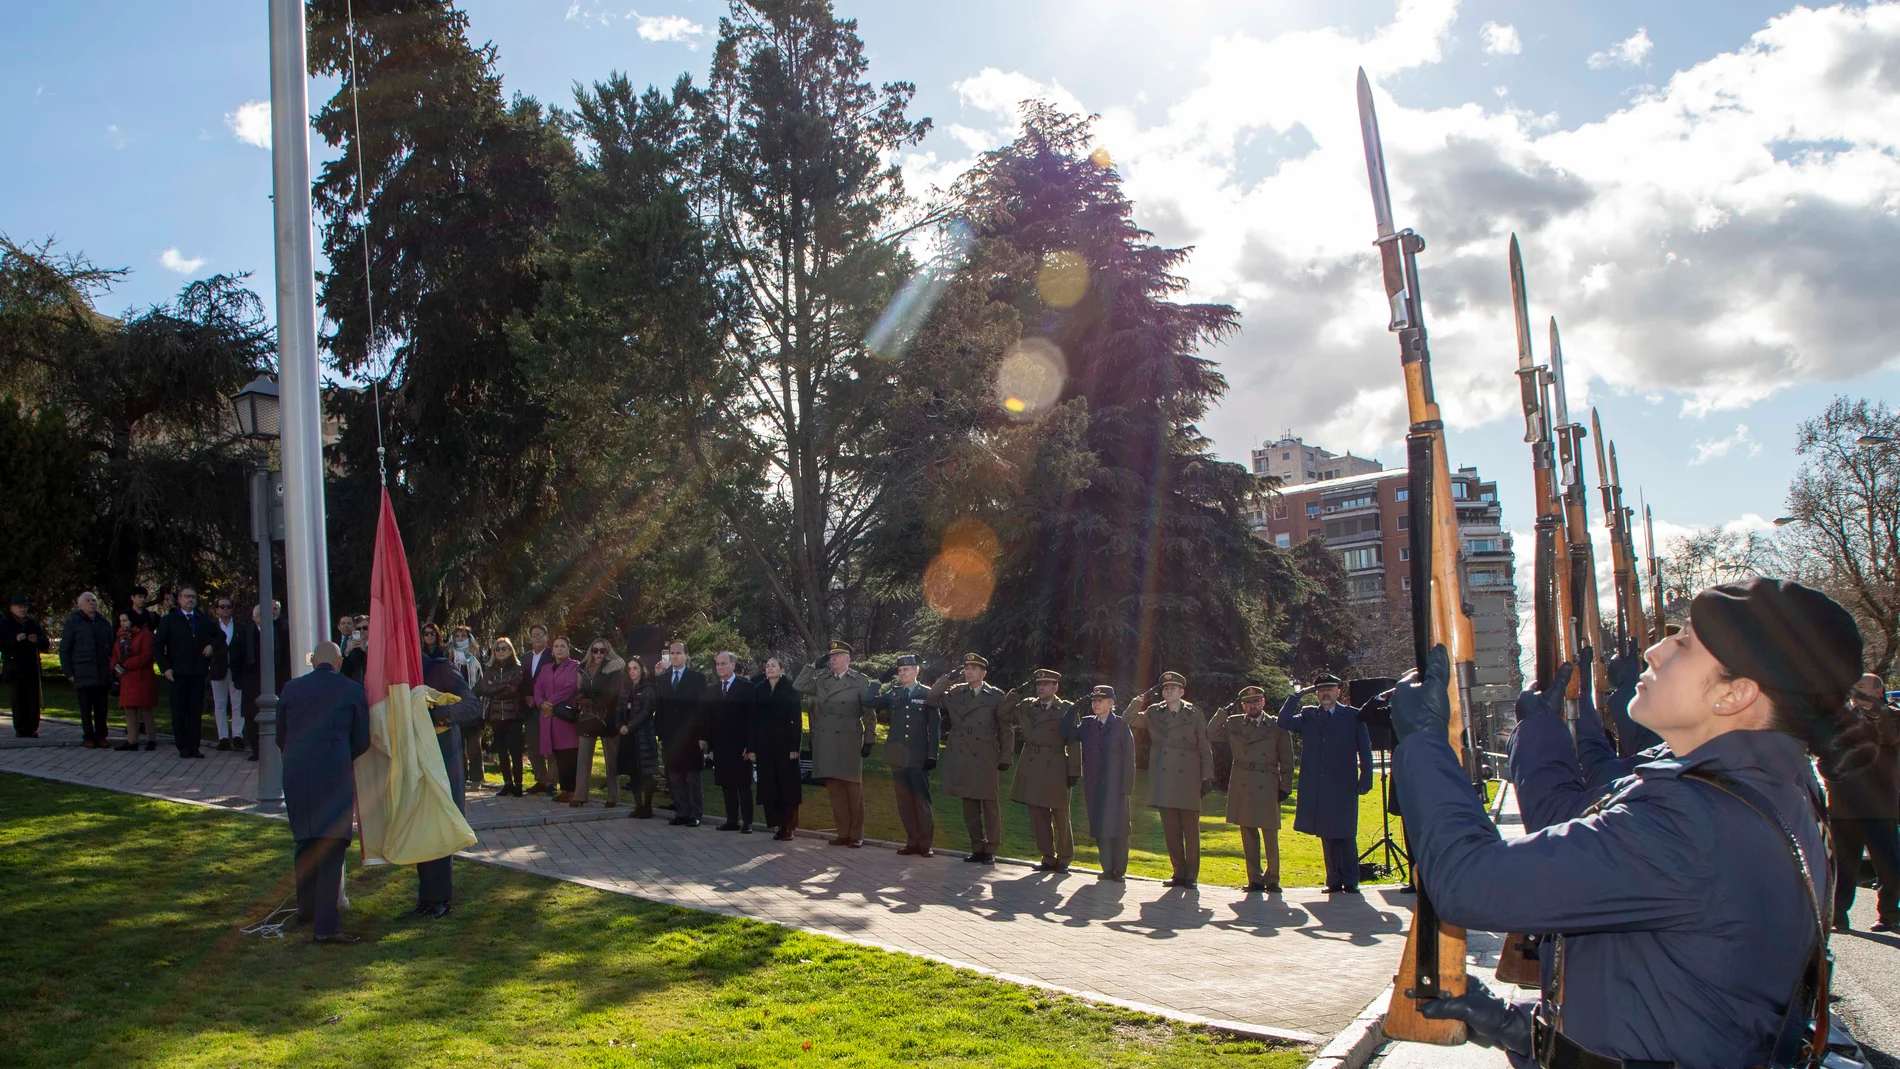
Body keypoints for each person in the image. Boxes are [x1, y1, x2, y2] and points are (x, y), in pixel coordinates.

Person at [1390, 577, 1863, 1069]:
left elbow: (1470, 882)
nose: (1656, 651)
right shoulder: (1765, 788)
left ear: (1735, 694)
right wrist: (1518, 1027)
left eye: (1683, 644)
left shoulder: (1695, 820)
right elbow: (1673, 1000)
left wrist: (1424, 744)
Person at [276, 641, 369, 944]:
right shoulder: (352, 689)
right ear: (339, 663)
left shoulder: (291, 688)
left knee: (305, 839)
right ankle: (326, 925)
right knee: (331, 844)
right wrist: (340, 755)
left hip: (297, 771)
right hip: (333, 771)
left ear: (313, 661)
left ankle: (306, 909)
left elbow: (281, 734)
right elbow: (362, 738)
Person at [1278, 671, 1374, 893]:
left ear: (1338, 692)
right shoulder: (1309, 716)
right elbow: (1283, 722)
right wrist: (1297, 696)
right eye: (1321, 691)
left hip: (1344, 783)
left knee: (1346, 832)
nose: (1325, 694)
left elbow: (1365, 752)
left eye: (1329, 690)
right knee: (1327, 833)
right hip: (1319, 785)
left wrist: (1366, 779)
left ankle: (1350, 880)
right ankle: (1333, 880)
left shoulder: (1353, 716)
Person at [1826, 673, 1899, 933]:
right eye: (1854, 686)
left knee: (1888, 864)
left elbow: (1890, 736)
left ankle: (1889, 915)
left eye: (1863, 687)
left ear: (1878, 692)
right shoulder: (1841, 717)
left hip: (1879, 806)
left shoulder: (1891, 715)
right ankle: (1838, 916)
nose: (1856, 690)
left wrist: (1875, 709)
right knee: (1843, 866)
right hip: (1844, 805)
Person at [1126, 671, 1213, 888]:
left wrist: (1206, 776)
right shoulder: (1154, 712)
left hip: (1189, 777)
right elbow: (1126, 720)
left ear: (1182, 692)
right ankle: (1178, 872)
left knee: (1190, 830)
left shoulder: (1194, 714)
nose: (1168, 691)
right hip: (1164, 777)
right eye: (1165, 689)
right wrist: (1137, 702)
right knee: (1171, 829)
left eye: (1173, 688)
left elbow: (1204, 746)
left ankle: (1191, 875)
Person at [1208, 685, 1297, 892]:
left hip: (1267, 781)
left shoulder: (1277, 726)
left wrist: (1285, 786)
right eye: (1248, 703)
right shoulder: (1234, 723)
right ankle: (1254, 879)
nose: (1252, 706)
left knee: (1270, 832)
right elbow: (1211, 733)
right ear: (1243, 706)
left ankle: (1273, 878)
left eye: (1256, 702)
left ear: (1263, 703)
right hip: (1244, 781)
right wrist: (1224, 712)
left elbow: (1286, 758)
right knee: (1248, 832)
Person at [415, 640, 480, 918]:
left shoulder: (440, 670)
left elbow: (471, 706)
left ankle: (440, 899)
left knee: (441, 826)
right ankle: (426, 899)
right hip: (416, 762)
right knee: (420, 826)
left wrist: (436, 714)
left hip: (444, 762)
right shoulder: (396, 678)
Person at [928, 653, 1013, 863]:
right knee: (969, 803)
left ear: (983, 673)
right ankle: (977, 847)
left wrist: (1006, 756)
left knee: (990, 803)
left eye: (973, 669)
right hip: (963, 751)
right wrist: (948, 678)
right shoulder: (956, 692)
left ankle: (991, 849)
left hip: (985, 753)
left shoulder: (995, 696)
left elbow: (1006, 728)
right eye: (966, 668)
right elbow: (932, 698)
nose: (968, 672)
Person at [794, 641, 877, 847]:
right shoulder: (822, 680)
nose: (833, 660)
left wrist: (869, 740)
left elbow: (869, 713)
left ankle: (856, 834)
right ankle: (843, 833)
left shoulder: (860, 681)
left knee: (852, 789)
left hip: (848, 738)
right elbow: (798, 685)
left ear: (848, 659)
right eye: (831, 657)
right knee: (835, 788)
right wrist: (813, 665)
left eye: (838, 657)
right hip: (826, 738)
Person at [1004, 669, 1081, 873]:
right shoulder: (1028, 705)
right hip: (1032, 762)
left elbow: (1074, 742)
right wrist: (1015, 693)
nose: (1041, 687)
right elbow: (1003, 714)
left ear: (1056, 687)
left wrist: (1074, 770)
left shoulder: (1067, 709)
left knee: (1060, 813)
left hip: (1056, 764)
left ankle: (1064, 858)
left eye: (1046, 684)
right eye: (1038, 684)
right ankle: (1047, 856)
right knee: (1037, 814)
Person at [866, 654, 938, 856]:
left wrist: (932, 754)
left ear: (917, 671)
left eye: (907, 669)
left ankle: (926, 844)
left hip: (918, 756)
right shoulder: (894, 693)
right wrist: (879, 680)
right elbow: (868, 700)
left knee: (922, 801)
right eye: (900, 670)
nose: (903, 673)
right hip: (897, 756)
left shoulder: (927, 694)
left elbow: (935, 728)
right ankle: (912, 842)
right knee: (904, 802)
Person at [1061, 685, 1135, 881]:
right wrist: (1073, 709)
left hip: (1116, 786)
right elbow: (1066, 732)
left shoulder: (1121, 725)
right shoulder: (1087, 724)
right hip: (1094, 785)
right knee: (1099, 827)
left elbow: (1129, 758)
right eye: (1094, 700)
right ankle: (1107, 868)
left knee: (1119, 829)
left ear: (1111, 703)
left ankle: (1119, 871)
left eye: (1100, 700)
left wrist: (1126, 787)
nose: (1096, 703)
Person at [154, 586, 216, 759]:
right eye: (187, 597)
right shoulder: (170, 620)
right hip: (177, 673)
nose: (191, 600)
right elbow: (158, 645)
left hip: (197, 672)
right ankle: (182, 745)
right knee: (179, 711)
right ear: (179, 599)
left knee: (195, 712)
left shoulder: (201, 619)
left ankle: (194, 746)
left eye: (194, 597)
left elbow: (219, 635)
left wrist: (211, 645)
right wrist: (165, 667)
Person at [655, 639, 709, 826]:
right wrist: (660, 734)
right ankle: (682, 812)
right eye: (672, 653)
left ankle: (695, 814)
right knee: (675, 776)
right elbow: (659, 708)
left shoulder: (697, 678)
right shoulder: (662, 680)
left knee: (692, 777)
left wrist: (703, 735)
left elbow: (703, 708)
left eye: (679, 653)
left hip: (692, 736)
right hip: (670, 736)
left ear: (686, 655)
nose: (675, 656)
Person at [754, 656, 805, 840]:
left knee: (788, 786)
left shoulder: (790, 689)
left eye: (773, 666)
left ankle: (789, 826)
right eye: (767, 666)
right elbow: (754, 720)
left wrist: (794, 747)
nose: (769, 668)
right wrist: (752, 748)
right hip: (765, 745)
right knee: (769, 785)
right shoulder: (759, 690)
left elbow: (797, 721)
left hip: (785, 745)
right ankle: (777, 824)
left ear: (781, 669)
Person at [573, 639, 628, 808]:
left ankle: (613, 796)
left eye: (602, 651)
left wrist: (591, 701)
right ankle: (580, 795)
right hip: (587, 717)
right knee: (583, 758)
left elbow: (612, 694)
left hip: (608, 717)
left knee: (611, 760)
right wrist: (581, 696)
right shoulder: (583, 668)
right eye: (595, 650)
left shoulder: (614, 669)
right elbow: (583, 688)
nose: (598, 654)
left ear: (607, 651)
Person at [706, 651, 758, 832]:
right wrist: (710, 747)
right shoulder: (712, 690)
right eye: (718, 664)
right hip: (721, 745)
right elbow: (710, 720)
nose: (720, 667)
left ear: (733, 665)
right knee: (726, 784)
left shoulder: (747, 687)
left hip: (741, 745)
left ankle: (748, 822)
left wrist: (750, 745)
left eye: (723, 664)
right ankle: (731, 820)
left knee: (743, 785)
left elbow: (753, 719)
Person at [60, 591, 116, 748]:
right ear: (80, 605)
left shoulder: (103, 622)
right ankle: (88, 736)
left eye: (94, 600)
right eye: (88, 601)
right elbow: (65, 649)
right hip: (82, 672)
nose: (92, 603)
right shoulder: (73, 623)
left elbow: (111, 647)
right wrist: (69, 673)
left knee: (101, 708)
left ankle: (101, 736)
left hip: (102, 673)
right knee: (85, 708)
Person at [236, 601, 291, 762]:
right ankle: (256, 749)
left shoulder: (282, 630)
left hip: (278, 679)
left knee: (280, 713)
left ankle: (279, 747)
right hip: (252, 681)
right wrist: (238, 679)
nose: (266, 616)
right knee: (251, 714)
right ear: (254, 618)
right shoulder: (246, 633)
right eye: (260, 615)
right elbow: (237, 657)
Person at [534, 636, 582, 804]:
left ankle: (572, 790)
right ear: (552, 649)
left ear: (568, 649)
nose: (559, 649)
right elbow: (538, 687)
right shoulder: (545, 668)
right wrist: (541, 703)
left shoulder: (574, 666)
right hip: (548, 717)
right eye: (556, 646)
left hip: (563, 717)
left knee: (568, 754)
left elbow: (570, 687)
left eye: (563, 646)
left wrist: (550, 703)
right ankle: (564, 789)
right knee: (556, 755)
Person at [475, 637, 525, 797]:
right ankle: (507, 783)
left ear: (510, 650)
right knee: (502, 751)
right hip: (496, 715)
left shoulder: (517, 668)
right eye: (498, 649)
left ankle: (518, 784)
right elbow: (485, 688)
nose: (501, 651)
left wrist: (496, 689)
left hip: (514, 715)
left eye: (505, 648)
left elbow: (515, 689)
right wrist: (502, 687)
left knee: (516, 750)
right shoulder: (489, 669)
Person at [619, 654, 662, 819]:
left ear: (641, 669)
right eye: (629, 669)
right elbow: (619, 709)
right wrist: (620, 725)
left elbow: (646, 712)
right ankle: (638, 806)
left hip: (644, 735)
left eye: (635, 668)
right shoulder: (626, 688)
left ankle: (647, 806)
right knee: (633, 772)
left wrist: (629, 726)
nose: (632, 672)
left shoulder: (648, 687)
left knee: (647, 773)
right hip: (629, 736)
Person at [2, 595, 50, 738]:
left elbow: (45, 643)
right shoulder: (5, 624)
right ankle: (20, 728)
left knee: (32, 700)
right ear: (12, 609)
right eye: (19, 607)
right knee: (17, 700)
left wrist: (37, 640)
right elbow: (1, 644)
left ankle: (32, 727)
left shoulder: (32, 624)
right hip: (13, 668)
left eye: (24, 607)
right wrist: (14, 640)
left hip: (31, 668)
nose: (23, 609)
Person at [109, 611, 158, 750]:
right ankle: (132, 740)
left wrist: (127, 664)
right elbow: (115, 654)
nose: (122, 624)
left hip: (142, 676)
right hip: (126, 678)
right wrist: (115, 666)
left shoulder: (145, 634)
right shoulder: (121, 636)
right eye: (121, 621)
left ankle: (151, 739)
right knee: (129, 709)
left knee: (145, 709)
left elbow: (146, 655)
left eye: (125, 620)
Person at [518, 624, 557, 795]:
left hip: (548, 707)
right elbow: (521, 683)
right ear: (530, 638)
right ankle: (541, 780)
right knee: (534, 746)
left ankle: (552, 781)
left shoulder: (553, 655)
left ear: (547, 637)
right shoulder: (524, 658)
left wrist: (544, 700)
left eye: (541, 634)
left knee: (551, 746)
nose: (537, 637)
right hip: (530, 708)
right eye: (534, 635)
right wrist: (526, 697)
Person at [448, 625, 486, 789]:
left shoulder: (478, 657)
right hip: (456, 704)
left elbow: (482, 681)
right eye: (457, 636)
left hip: (473, 705)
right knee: (458, 745)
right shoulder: (449, 658)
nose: (460, 638)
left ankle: (477, 778)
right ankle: (461, 778)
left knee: (473, 745)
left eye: (463, 635)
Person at [209, 595, 244, 752]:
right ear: (216, 609)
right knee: (220, 704)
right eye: (222, 607)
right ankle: (223, 737)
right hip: (218, 670)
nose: (225, 609)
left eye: (228, 606)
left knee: (237, 704)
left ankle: (238, 735)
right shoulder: (212, 627)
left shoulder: (240, 627)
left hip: (236, 669)